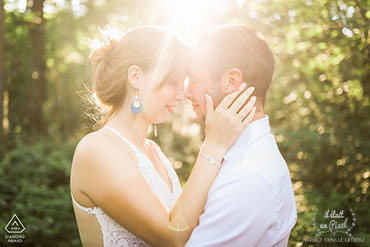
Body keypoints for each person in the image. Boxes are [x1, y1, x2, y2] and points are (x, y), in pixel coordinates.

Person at [70, 25, 257, 247]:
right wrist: (214, 145)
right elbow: (173, 235)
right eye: (173, 82)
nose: (182, 95)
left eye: (185, 84)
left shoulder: (154, 152)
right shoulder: (97, 150)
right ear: (136, 77)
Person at [185, 25, 297, 247]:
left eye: (195, 80)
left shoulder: (248, 177)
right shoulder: (236, 154)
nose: (187, 92)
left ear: (231, 81)